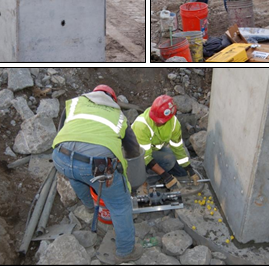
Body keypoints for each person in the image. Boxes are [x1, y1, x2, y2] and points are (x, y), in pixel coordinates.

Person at [52, 85, 143, 264]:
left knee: (75, 175)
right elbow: (132, 150)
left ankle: (88, 206)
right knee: (119, 205)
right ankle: (126, 251)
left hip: (60, 156)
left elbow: (63, 130)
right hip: (96, 165)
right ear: (113, 101)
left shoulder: (75, 103)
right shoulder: (119, 117)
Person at [132, 95, 198, 189]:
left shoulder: (174, 123)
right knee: (169, 160)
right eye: (155, 119)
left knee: (182, 171)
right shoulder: (141, 126)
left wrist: (189, 168)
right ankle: (145, 181)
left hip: (154, 150)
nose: (157, 122)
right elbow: (145, 157)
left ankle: (162, 172)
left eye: (161, 121)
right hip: (137, 156)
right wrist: (166, 177)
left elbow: (177, 147)